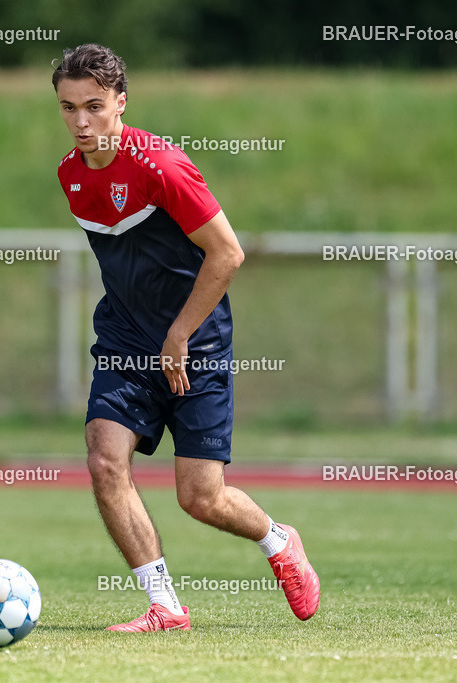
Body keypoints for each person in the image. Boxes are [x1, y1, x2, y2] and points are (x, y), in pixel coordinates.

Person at [53, 43, 319, 632]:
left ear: (121, 103)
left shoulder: (161, 167)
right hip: (125, 344)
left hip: (195, 346)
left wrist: (178, 334)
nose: (81, 121)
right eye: (68, 108)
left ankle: (278, 540)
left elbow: (228, 253)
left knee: (200, 497)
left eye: (94, 106)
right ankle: (164, 606)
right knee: (104, 461)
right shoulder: (70, 175)